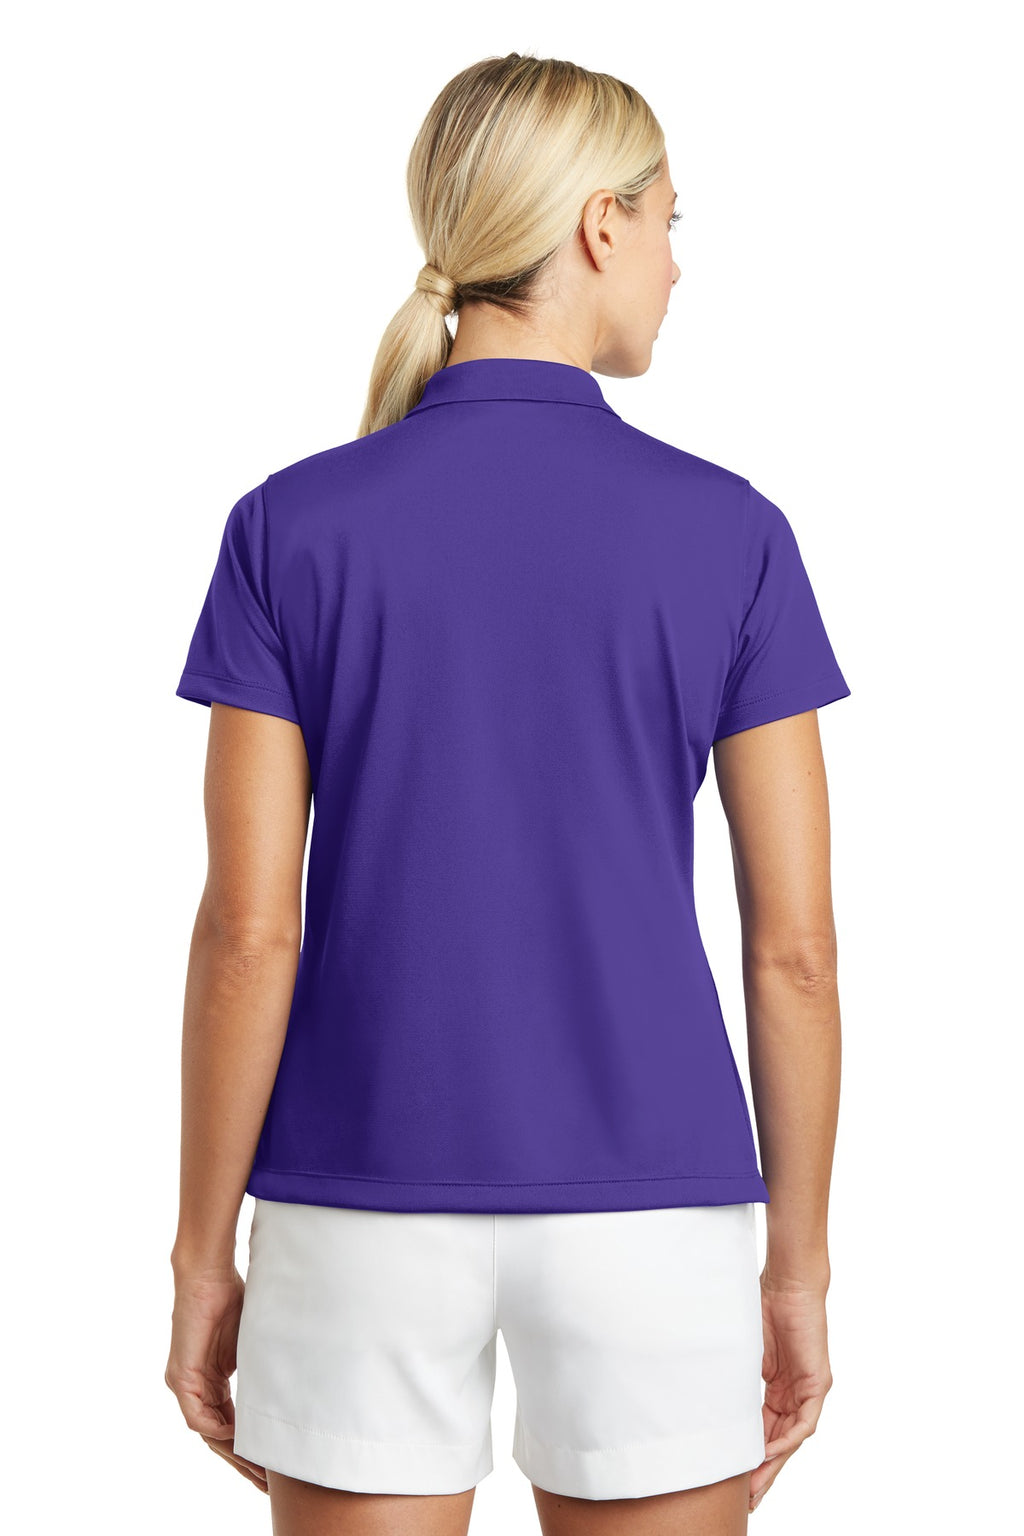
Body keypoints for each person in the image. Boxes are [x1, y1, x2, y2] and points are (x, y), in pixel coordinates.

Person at [165, 50, 850, 1536]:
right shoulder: (732, 535)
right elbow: (794, 952)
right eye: (669, 221)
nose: (677, 264)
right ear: (601, 225)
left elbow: (248, 934)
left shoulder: (287, 528)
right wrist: (797, 1267)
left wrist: (202, 1253)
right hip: (651, 1206)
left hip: (357, 1195)